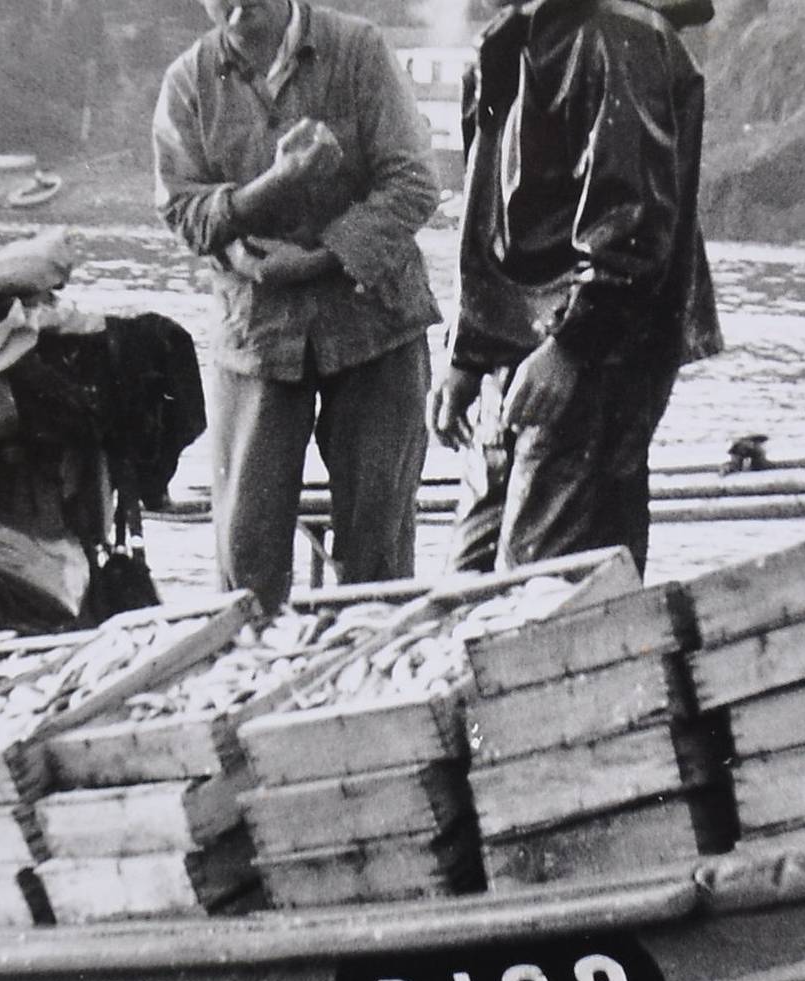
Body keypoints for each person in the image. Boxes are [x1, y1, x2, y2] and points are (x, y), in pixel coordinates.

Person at [153, 0, 440, 610]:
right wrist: (269, 193)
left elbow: (414, 183)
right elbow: (183, 210)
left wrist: (319, 259)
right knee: (246, 569)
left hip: (375, 328)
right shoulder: (188, 79)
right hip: (257, 338)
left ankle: (377, 691)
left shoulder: (359, 49)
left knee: (379, 562)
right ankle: (251, 695)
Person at [429, 0, 721, 575]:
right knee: (468, 579)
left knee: (544, 582)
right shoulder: (509, 41)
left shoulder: (615, 36)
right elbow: (490, 222)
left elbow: (634, 224)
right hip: (520, 356)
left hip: (594, 357)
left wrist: (572, 346)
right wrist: (467, 354)